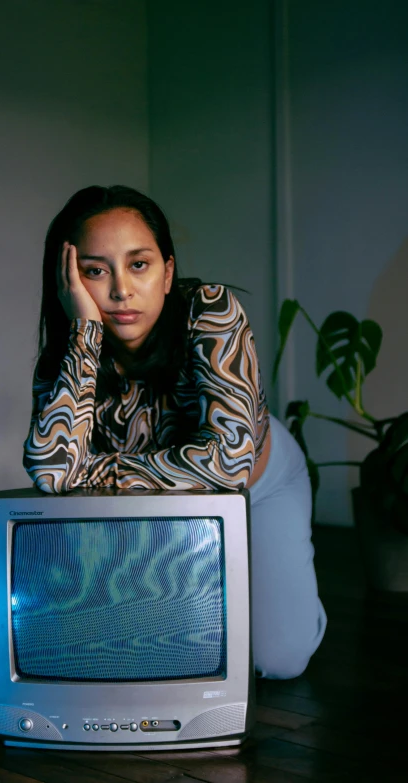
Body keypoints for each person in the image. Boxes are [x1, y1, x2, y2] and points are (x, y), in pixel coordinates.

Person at [23, 184, 327, 680]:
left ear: (167, 272)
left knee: (279, 661)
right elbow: (52, 472)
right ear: (67, 281)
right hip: (157, 502)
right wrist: (85, 335)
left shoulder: (211, 310)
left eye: (138, 265)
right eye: (95, 271)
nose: (121, 290)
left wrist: (98, 472)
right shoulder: (67, 357)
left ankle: (294, 592)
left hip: (261, 484)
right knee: (150, 645)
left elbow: (229, 464)